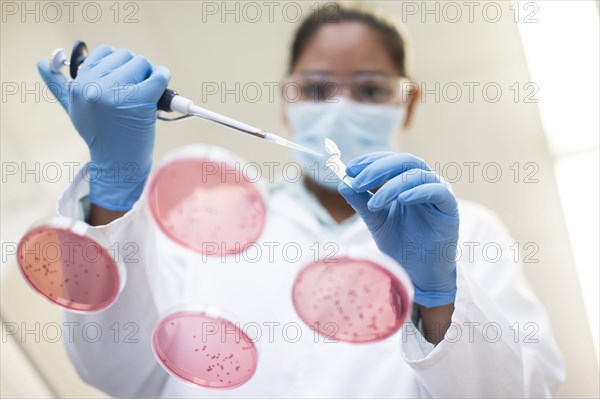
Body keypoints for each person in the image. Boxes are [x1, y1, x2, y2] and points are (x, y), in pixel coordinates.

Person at [37, 3, 565, 398]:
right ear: (287, 103)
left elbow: (526, 390)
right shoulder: (209, 218)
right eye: (315, 90)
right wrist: (113, 188)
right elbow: (116, 370)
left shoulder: (469, 231)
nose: (340, 107)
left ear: (407, 105)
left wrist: (439, 296)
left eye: (370, 89)